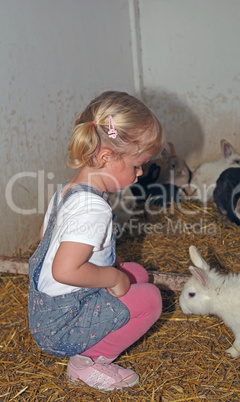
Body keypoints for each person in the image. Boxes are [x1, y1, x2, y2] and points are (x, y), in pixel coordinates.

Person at [28, 90, 165, 391]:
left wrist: (105, 263)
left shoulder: (70, 188)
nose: (140, 173)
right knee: (150, 301)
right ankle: (87, 362)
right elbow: (63, 270)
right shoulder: (94, 208)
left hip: (49, 311)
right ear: (106, 157)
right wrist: (112, 275)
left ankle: (91, 349)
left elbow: (46, 239)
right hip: (63, 324)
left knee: (137, 275)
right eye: (137, 166)